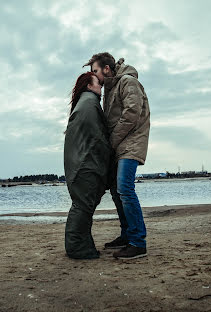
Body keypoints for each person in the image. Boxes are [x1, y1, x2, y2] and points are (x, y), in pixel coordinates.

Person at [84, 52, 150, 259]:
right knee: (116, 190)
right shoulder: (111, 89)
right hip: (120, 146)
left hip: (131, 143)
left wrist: (111, 143)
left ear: (106, 68)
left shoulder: (128, 82)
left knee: (125, 188)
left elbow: (131, 113)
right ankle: (127, 235)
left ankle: (138, 242)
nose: (93, 75)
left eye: (95, 70)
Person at [64, 72, 112, 259]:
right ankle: (77, 249)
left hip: (79, 164)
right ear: (89, 86)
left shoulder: (83, 104)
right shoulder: (90, 104)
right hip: (85, 165)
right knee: (83, 207)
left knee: (82, 206)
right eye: (97, 83)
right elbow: (97, 137)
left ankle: (80, 246)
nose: (101, 86)